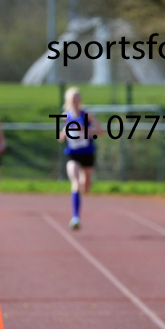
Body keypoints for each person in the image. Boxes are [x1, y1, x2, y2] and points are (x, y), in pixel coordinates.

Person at [58, 87, 103, 230]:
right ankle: (76, 217)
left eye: (77, 99)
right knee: (76, 183)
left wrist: (86, 130)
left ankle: (87, 183)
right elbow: (60, 137)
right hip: (73, 154)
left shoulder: (87, 115)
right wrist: (64, 134)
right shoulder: (65, 116)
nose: (75, 102)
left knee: (86, 186)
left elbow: (101, 131)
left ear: (80, 100)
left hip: (87, 153)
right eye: (72, 99)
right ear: (68, 101)